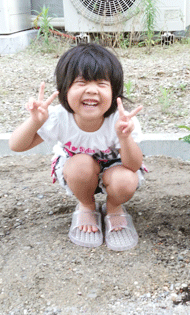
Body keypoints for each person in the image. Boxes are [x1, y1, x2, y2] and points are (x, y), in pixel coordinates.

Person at [9, 43, 145, 251]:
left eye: (101, 83)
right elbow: (17, 145)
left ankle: (114, 207)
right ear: (64, 89)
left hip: (116, 171)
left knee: (126, 180)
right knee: (80, 164)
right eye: (81, 82)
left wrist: (124, 138)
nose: (91, 90)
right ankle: (87, 205)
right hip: (79, 174)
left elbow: (134, 165)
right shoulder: (59, 117)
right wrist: (35, 121)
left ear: (114, 90)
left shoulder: (121, 121)